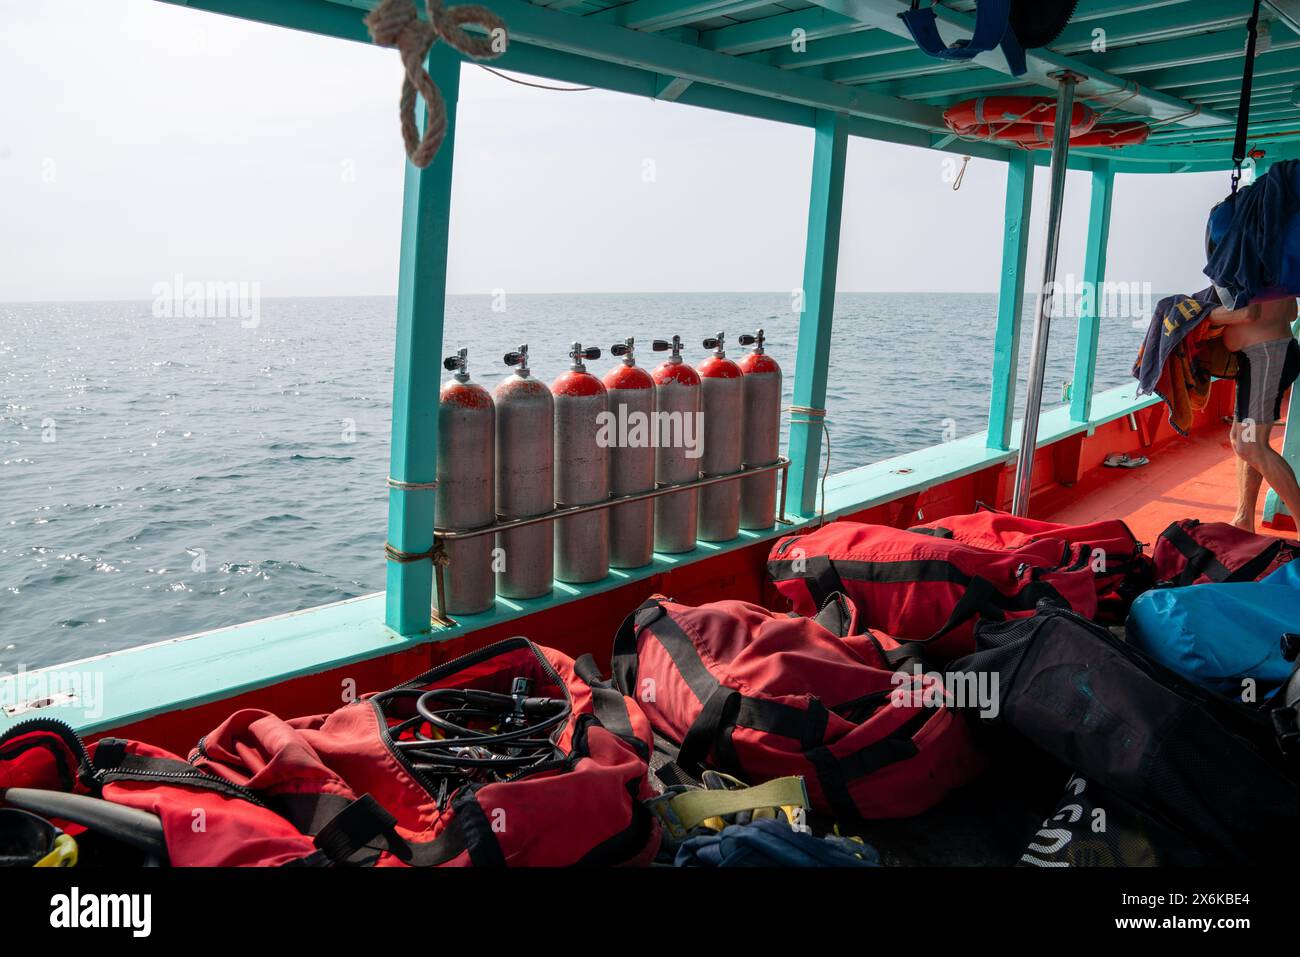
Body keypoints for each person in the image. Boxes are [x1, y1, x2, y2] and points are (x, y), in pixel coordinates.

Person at [1208, 296, 1300, 533]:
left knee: (1251, 444)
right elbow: (1291, 313)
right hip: (1259, 358)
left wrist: (1197, 314)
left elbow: (1248, 314)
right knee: (1242, 438)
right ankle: (1244, 519)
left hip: (1267, 359)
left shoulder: (1244, 263)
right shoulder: (1274, 265)